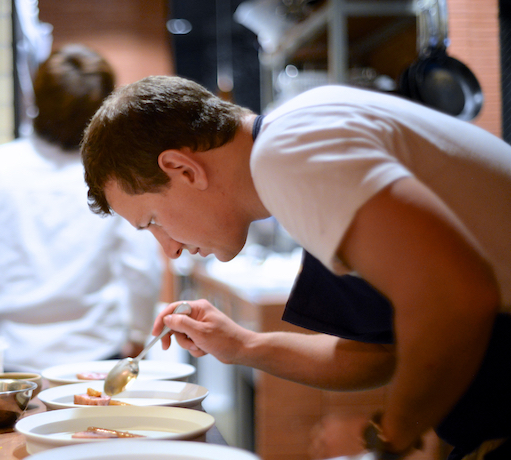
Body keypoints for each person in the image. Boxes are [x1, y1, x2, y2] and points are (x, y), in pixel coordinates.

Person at [81, 75, 511, 460]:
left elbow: (455, 300)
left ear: (182, 168)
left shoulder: (290, 152)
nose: (170, 250)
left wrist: (391, 441)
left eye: (152, 221)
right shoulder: (298, 142)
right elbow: (383, 352)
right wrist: (243, 346)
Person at [0, 44, 164, 372]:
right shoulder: (116, 180)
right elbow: (141, 267)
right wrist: (140, 333)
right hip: (94, 359)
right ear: (102, 109)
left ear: (34, 98)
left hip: (5, 363)